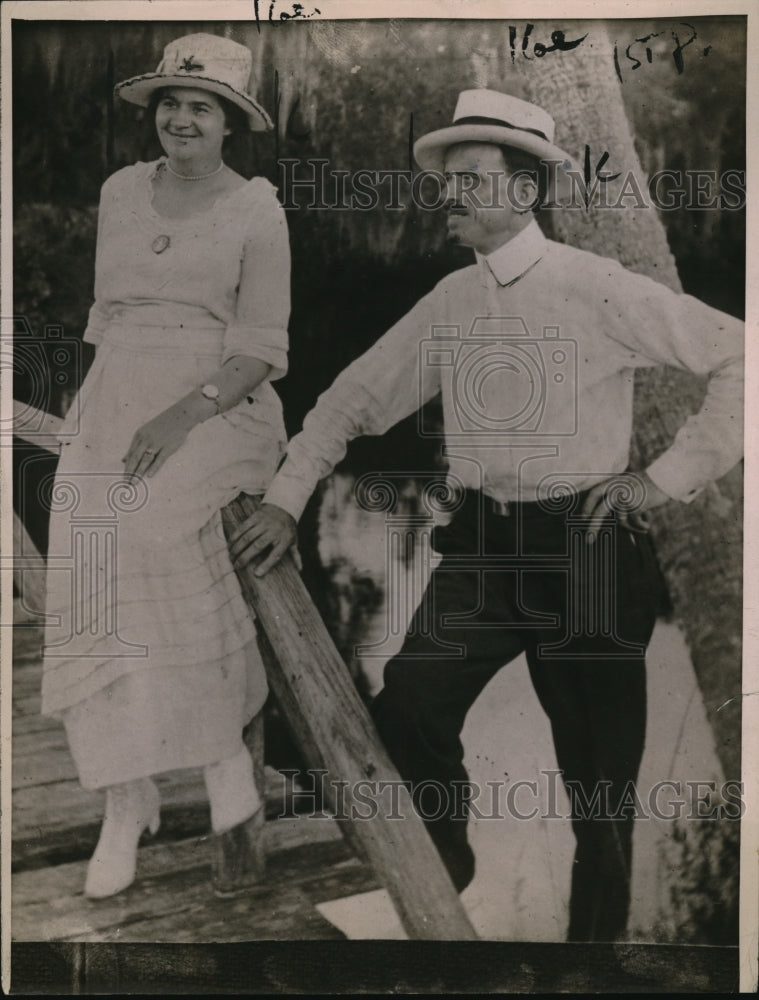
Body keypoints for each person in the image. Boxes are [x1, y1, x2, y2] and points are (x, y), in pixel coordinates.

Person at [229, 88, 744, 941]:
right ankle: (447, 872)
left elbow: (740, 355)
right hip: (483, 552)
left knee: (601, 803)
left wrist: (664, 477)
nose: (449, 195)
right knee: (408, 709)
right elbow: (346, 402)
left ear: (524, 190)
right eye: (447, 179)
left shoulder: (597, 287)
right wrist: (286, 500)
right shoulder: (450, 303)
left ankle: (590, 967)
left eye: (470, 178)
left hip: (586, 554)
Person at [41, 32, 290, 900]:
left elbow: (259, 347)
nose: (182, 119)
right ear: (155, 114)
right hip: (120, 390)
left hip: (219, 401)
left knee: (153, 528)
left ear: (229, 125)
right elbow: (105, 317)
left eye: (202, 107)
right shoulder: (121, 190)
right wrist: (96, 419)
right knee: (86, 543)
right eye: (171, 104)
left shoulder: (258, 208)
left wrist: (180, 413)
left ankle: (222, 747)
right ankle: (125, 795)